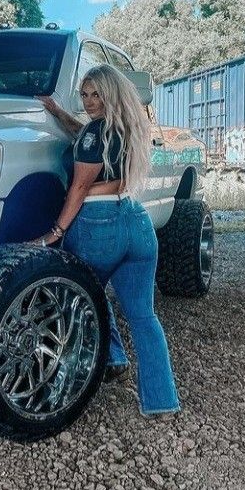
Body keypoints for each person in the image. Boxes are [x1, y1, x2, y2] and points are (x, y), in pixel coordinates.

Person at [32, 65, 180, 418]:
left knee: (78, 299)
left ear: (110, 94)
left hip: (98, 223)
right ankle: (161, 401)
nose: (89, 101)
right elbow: (84, 134)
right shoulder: (127, 129)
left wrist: (55, 232)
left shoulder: (93, 133)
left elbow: (80, 188)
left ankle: (58, 397)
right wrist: (57, 111)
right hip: (136, 221)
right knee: (144, 316)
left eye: (96, 94)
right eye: (84, 95)